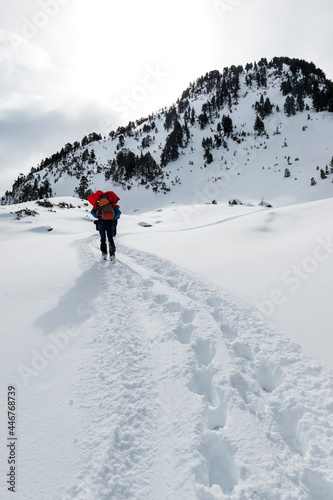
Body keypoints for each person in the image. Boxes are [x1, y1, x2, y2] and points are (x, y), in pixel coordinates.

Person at [87, 190, 121, 260]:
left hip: (101, 223)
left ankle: (104, 254)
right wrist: (113, 218)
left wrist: (100, 216)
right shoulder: (111, 203)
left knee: (103, 239)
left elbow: (93, 213)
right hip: (110, 223)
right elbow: (118, 213)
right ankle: (112, 255)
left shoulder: (98, 204)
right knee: (110, 239)